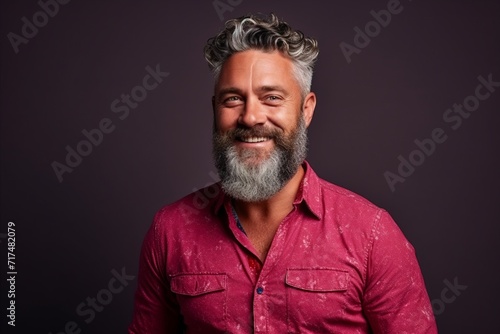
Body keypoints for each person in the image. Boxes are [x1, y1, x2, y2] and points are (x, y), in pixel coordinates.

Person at [129, 13, 438, 333]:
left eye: (271, 98)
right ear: (215, 110)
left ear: (306, 109)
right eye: (233, 99)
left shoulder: (372, 234)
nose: (250, 117)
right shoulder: (170, 231)